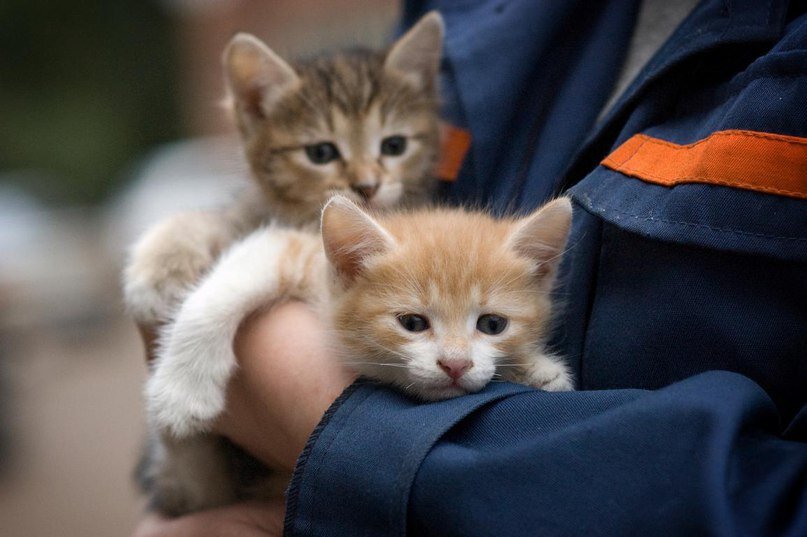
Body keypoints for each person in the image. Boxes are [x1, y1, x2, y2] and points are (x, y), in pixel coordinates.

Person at [135, 0, 807, 535]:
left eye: (393, 148)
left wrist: (330, 418)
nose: (368, 180)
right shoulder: (467, 12)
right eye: (327, 155)